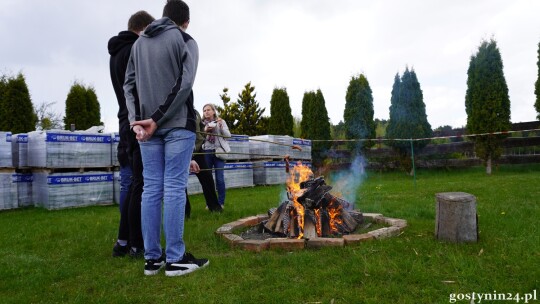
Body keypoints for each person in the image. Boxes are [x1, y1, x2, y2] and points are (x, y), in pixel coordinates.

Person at [124, 0, 208, 276]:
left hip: (146, 129)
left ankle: (152, 259)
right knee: (173, 187)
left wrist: (136, 122)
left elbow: (129, 86)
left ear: (162, 17)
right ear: (185, 22)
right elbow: (184, 85)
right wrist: (157, 118)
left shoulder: (139, 45)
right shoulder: (185, 40)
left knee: (151, 189)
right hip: (175, 125)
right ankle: (175, 259)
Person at [108, 10, 154, 258]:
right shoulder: (135, 49)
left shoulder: (116, 52)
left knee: (130, 183)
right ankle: (138, 243)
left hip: (123, 120)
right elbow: (139, 89)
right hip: (137, 122)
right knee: (140, 184)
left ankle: (123, 241)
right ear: (143, 29)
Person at [185, 110, 223, 218]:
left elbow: (201, 128)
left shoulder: (195, 112)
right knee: (181, 182)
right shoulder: (179, 111)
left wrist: (201, 139)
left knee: (207, 178)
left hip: (198, 150)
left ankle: (215, 208)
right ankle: (185, 213)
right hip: (183, 150)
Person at [201, 103, 231, 208]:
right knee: (208, 179)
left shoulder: (221, 121)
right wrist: (205, 132)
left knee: (219, 178)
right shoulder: (201, 123)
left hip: (219, 152)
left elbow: (228, 135)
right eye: (204, 111)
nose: (206, 112)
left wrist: (221, 127)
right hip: (207, 152)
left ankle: (221, 203)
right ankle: (210, 203)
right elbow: (199, 139)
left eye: (209, 110)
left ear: (214, 111)